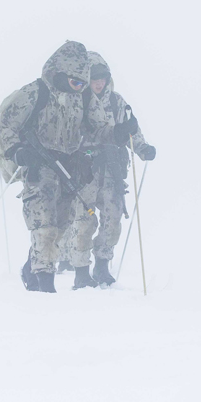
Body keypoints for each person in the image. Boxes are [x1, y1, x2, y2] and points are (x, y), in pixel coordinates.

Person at [0, 41, 138, 293]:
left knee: (61, 227)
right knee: (44, 226)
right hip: (39, 165)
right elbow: (4, 125)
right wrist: (16, 150)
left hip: (70, 168)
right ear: (61, 74)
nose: (80, 87)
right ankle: (43, 285)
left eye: (83, 83)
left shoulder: (83, 98)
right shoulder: (35, 93)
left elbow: (98, 128)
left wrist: (119, 133)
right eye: (75, 82)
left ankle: (32, 266)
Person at [62, 52, 156, 288]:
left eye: (104, 77)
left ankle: (102, 266)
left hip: (113, 170)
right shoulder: (76, 102)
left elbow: (131, 131)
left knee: (113, 219)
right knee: (84, 222)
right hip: (85, 172)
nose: (100, 82)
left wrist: (143, 149)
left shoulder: (117, 102)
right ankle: (81, 272)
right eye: (95, 77)